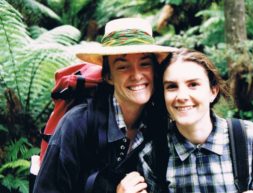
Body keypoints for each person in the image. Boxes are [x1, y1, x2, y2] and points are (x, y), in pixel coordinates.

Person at [33, 17, 177, 193]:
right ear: (109, 76)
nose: (137, 75)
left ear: (154, 71)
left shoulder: (160, 123)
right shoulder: (76, 125)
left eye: (145, 64)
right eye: (123, 67)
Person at [137, 49, 253, 193]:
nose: (182, 96)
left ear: (213, 91)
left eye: (193, 85)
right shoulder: (153, 154)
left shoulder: (247, 137)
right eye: (172, 86)